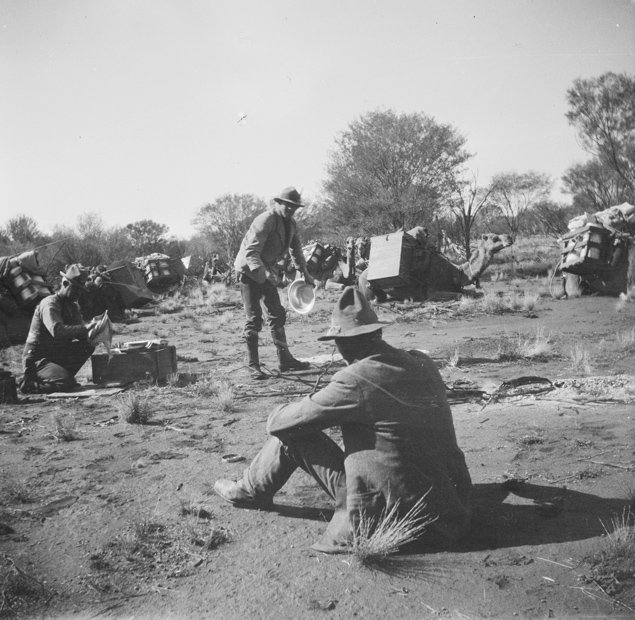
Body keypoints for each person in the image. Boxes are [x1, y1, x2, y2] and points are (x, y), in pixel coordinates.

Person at [214, 286, 472, 553]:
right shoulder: (423, 363)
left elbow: (278, 424)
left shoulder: (355, 380)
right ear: (378, 332)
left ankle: (247, 491)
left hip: (395, 521)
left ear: (341, 343)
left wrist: (315, 399)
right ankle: (248, 489)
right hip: (450, 514)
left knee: (291, 437)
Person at [234, 186, 316, 380]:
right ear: (278, 203)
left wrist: (304, 273)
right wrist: (268, 276)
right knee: (254, 319)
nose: (290, 210)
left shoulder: (291, 224)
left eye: (294, 207)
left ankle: (285, 360)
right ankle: (253, 365)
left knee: (277, 314)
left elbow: (297, 251)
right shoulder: (265, 220)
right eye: (287, 206)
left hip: (266, 272)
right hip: (249, 271)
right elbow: (251, 252)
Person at [19, 264, 99, 394]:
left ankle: (58, 376)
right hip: (37, 359)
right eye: (76, 289)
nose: (78, 293)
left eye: (80, 290)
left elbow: (81, 334)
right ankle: (30, 383)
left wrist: (96, 333)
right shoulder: (50, 303)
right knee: (66, 383)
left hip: (54, 354)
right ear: (65, 283)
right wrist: (85, 328)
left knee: (88, 345)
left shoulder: (72, 306)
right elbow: (57, 331)